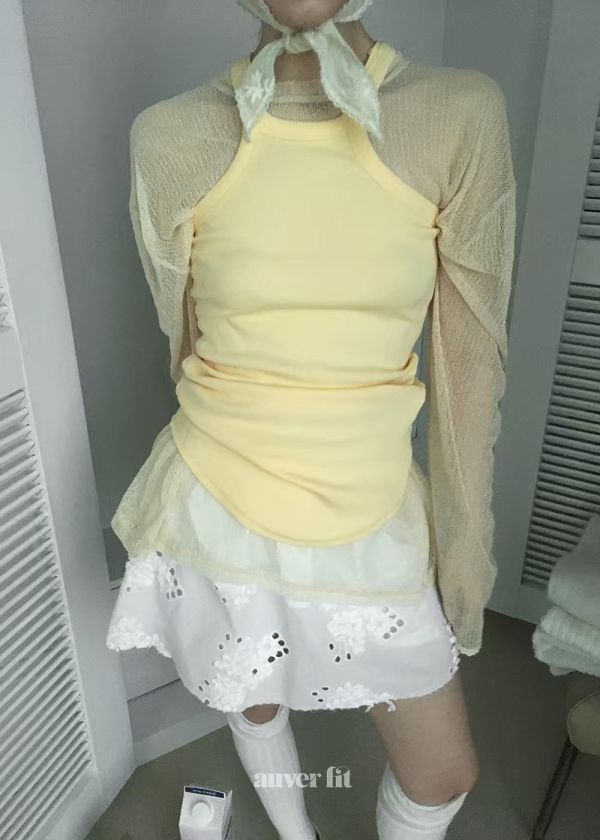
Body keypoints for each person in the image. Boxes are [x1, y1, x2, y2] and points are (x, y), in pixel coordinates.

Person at [106, 1, 517, 838]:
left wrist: (464, 535)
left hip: (369, 502)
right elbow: (183, 339)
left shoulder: (458, 114)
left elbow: (470, 365)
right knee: (253, 694)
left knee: (442, 775)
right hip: (217, 496)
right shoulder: (170, 135)